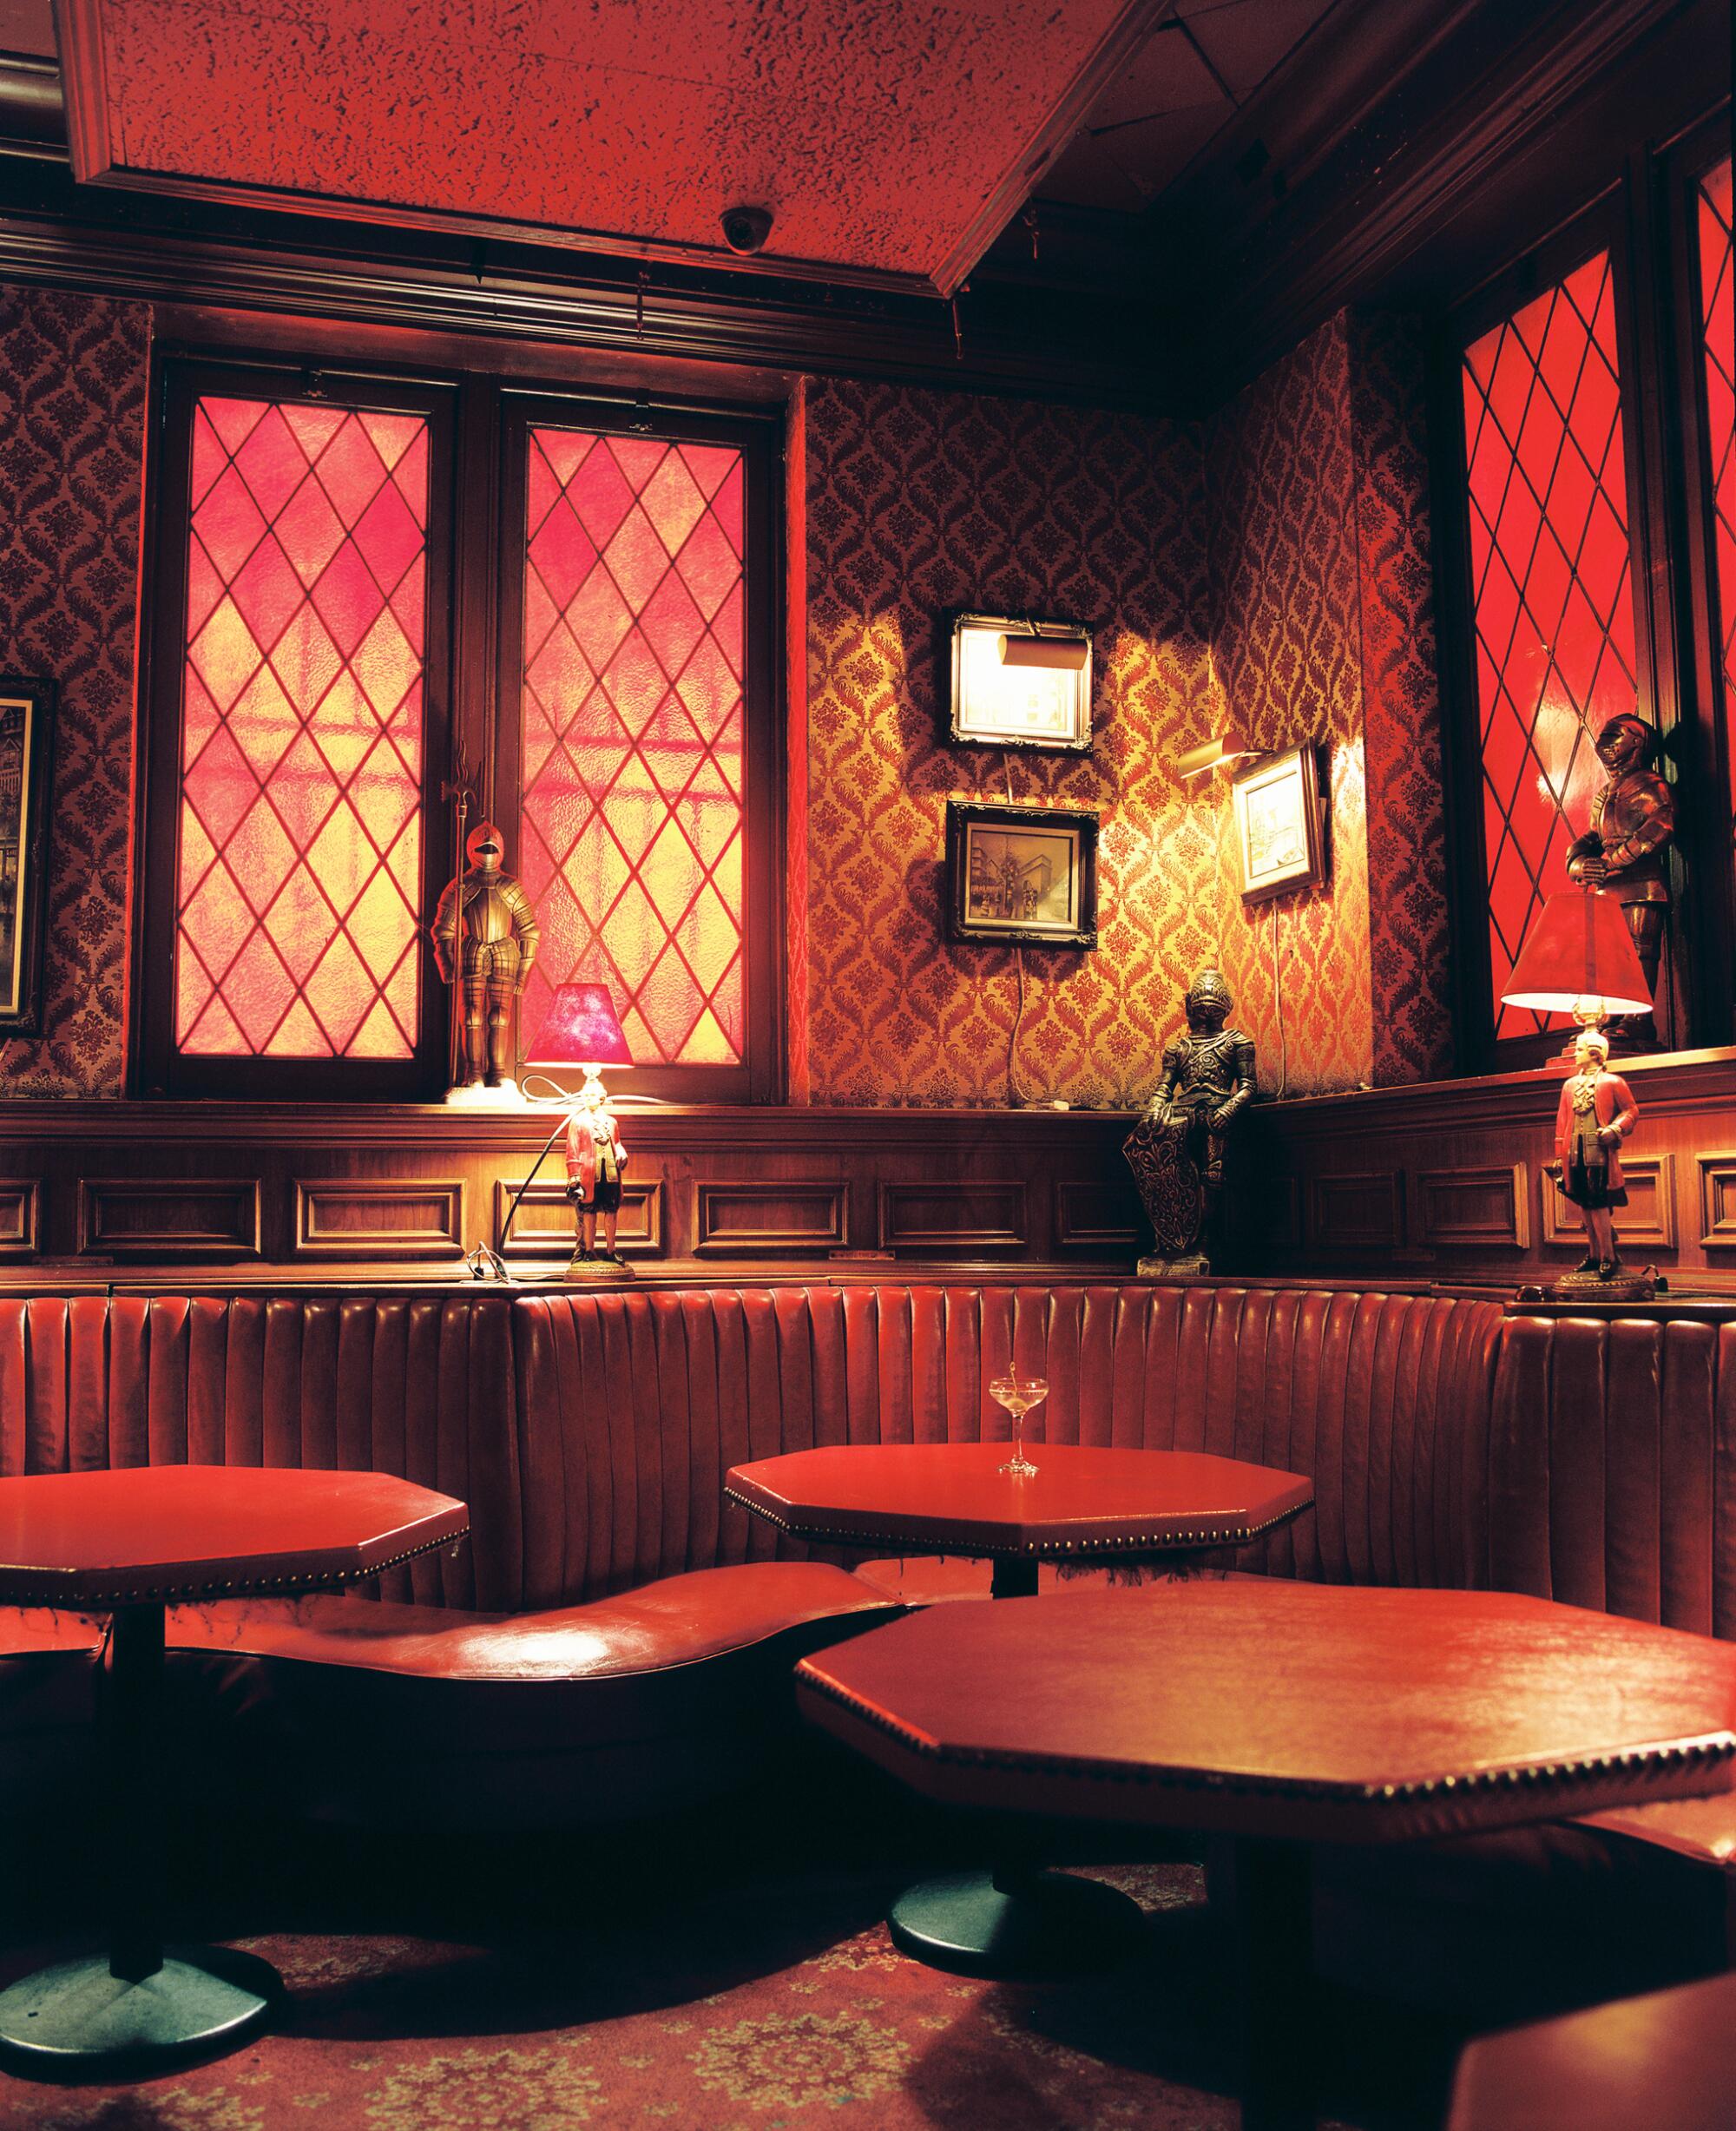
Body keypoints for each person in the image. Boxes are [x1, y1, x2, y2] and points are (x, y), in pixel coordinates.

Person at [1123, 967, 1257, 1272]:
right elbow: (1164, 1088)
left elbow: (1249, 1086)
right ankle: (1170, 1237)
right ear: (1188, 1004)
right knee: (1153, 1158)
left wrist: (1228, 1110)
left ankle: (1203, 1242)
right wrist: (1154, 1110)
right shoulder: (1178, 1048)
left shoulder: (1238, 1043)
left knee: (1211, 1176)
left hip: (1215, 1116)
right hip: (1180, 1116)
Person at [1565, 713, 1674, 1006]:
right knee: (1609, 957)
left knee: (1640, 951)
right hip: (1608, 887)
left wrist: (1611, 862)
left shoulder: (1651, 785)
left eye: (1615, 736)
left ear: (1637, 742)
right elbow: (1590, 838)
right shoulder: (1605, 793)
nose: (1604, 744)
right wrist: (1579, 864)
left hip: (1642, 884)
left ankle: (1637, 1021)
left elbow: (1660, 825)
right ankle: (1613, 1014)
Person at [430, 822, 541, 1089]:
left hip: (504, 951)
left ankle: (498, 1072)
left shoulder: (511, 887)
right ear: (471, 850)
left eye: (492, 847)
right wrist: (447, 965)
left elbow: (530, 931)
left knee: (499, 1015)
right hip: (472, 951)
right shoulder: (461, 886)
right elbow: (444, 930)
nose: (488, 852)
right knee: (471, 1015)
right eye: (483, 848)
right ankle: (474, 1071)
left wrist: (523, 973)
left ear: (500, 850)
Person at [1553, 1028, 1640, 1279]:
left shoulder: (1613, 1082)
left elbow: (1631, 1111)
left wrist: (1615, 1128)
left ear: (1595, 1053)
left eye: (1579, 1049)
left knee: (1599, 1204)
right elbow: (1561, 1121)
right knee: (1584, 1203)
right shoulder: (1569, 1086)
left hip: (1599, 1154)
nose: (1575, 1054)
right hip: (1575, 1153)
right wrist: (1560, 1154)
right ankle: (1593, 1255)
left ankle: (1608, 1257)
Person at [564, 1082, 629, 1270]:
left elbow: (616, 1143)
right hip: (588, 1174)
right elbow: (572, 1151)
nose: (588, 1098)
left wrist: (621, 1153)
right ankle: (589, 1251)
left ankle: (610, 1250)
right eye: (585, 1094)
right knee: (589, 1211)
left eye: (592, 1094)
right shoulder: (578, 1122)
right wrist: (574, 1177)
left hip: (610, 1173)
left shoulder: (611, 1122)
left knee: (611, 1210)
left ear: (602, 1097)